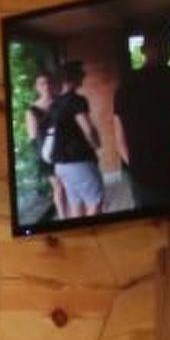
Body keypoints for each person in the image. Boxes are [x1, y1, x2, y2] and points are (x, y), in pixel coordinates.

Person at [114, 20, 170, 212]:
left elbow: (121, 143)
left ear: (144, 49)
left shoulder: (124, 87)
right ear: (169, 45)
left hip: (141, 185)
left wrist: (142, 172)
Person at [47, 60, 104, 218]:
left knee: (76, 203)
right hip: (78, 161)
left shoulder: (55, 104)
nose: (83, 77)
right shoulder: (76, 100)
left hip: (60, 165)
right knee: (95, 202)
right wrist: (96, 144)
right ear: (74, 77)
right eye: (81, 74)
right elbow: (88, 129)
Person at [22, 69, 67, 222]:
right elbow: (33, 138)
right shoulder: (32, 111)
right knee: (58, 186)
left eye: (48, 82)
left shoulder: (61, 103)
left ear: (53, 84)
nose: (46, 86)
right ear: (37, 87)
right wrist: (43, 158)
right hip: (46, 154)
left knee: (69, 185)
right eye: (42, 84)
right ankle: (63, 217)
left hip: (66, 150)